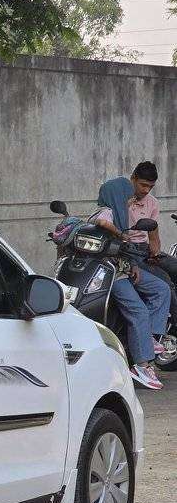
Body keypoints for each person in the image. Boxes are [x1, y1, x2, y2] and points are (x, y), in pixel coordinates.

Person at [93, 167, 170, 390]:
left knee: (162, 288)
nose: (131, 200)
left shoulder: (124, 213)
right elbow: (102, 223)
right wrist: (121, 234)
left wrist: (134, 263)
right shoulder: (107, 212)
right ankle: (142, 366)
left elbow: (139, 242)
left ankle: (151, 337)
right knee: (138, 310)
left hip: (128, 264)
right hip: (113, 273)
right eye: (125, 197)